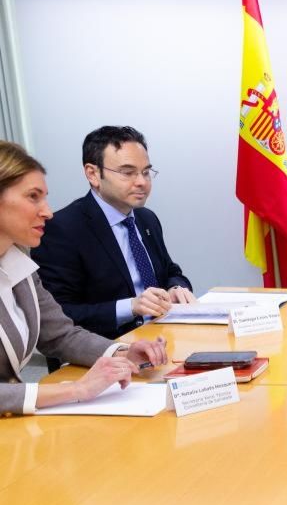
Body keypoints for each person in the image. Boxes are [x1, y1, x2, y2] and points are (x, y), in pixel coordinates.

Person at [0, 141, 168, 415]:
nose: (48, 212)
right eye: (33, 197)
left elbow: (60, 335)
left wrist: (122, 353)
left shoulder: (17, 264)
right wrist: (77, 389)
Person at [31, 126, 194, 339]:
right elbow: (60, 314)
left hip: (162, 335)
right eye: (128, 172)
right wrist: (131, 307)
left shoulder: (146, 218)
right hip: (107, 349)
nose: (142, 182)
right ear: (93, 174)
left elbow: (171, 271)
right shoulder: (62, 228)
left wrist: (176, 288)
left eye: (146, 172)